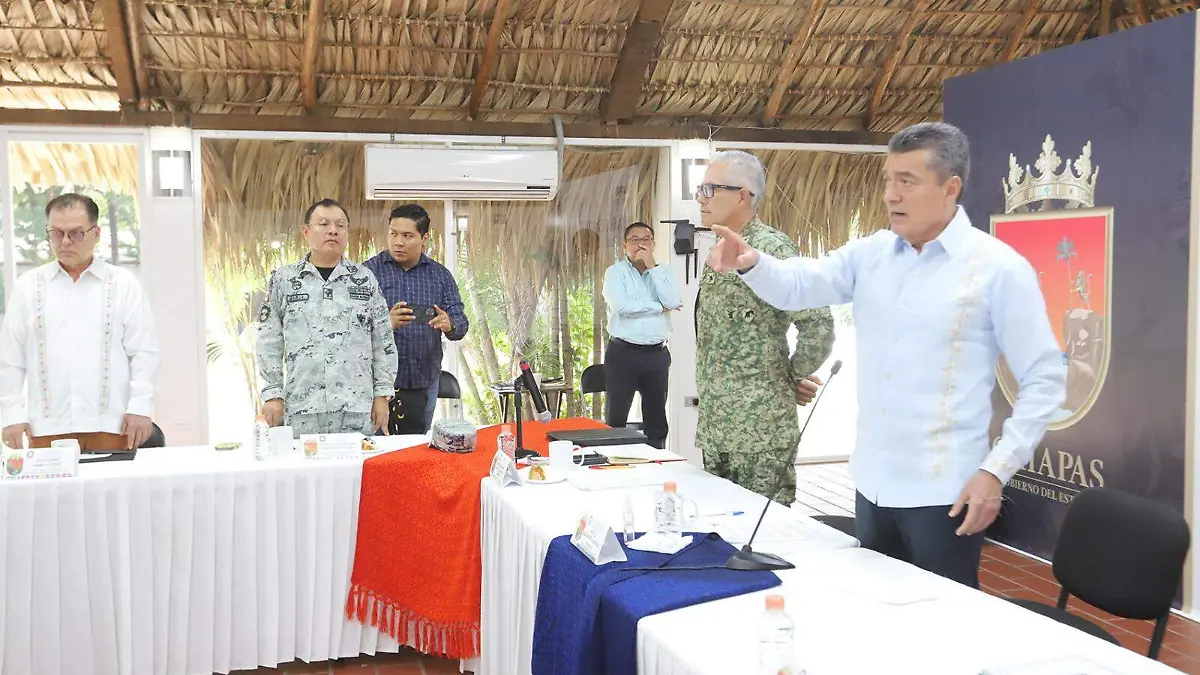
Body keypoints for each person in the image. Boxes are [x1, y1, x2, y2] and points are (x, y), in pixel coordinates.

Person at [707, 122, 1067, 588]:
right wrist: (752, 263)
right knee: (875, 609)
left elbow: (1044, 377)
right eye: (888, 180)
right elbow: (800, 283)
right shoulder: (871, 254)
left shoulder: (998, 269)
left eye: (907, 181)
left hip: (945, 492)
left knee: (941, 622)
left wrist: (996, 471)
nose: (891, 195)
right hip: (872, 484)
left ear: (950, 188)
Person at [694, 150, 836, 506]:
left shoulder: (772, 249)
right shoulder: (720, 250)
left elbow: (818, 324)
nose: (700, 198)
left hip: (761, 432)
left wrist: (787, 377)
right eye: (700, 189)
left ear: (742, 195)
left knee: (766, 530)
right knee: (718, 528)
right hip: (718, 428)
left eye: (709, 189)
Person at [0, 193, 159, 451]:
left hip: (113, 425)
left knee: (114, 480)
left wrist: (141, 407)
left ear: (96, 234)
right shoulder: (27, 287)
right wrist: (11, 414)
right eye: (56, 233)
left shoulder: (123, 284)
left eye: (75, 233)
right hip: (46, 429)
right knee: (47, 482)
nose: (65, 242)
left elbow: (144, 352)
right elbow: (10, 358)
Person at [256, 198, 397, 436]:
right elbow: (268, 340)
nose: (333, 230)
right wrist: (273, 393)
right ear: (306, 231)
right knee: (303, 462)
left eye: (340, 225)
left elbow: (382, 340)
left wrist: (382, 394)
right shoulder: (285, 280)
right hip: (303, 407)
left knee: (359, 461)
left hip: (356, 408)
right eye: (323, 224)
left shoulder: (364, 279)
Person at [363, 204, 468, 434]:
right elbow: (348, 329)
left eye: (407, 235)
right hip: (377, 386)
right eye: (393, 234)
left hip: (424, 380)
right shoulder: (367, 273)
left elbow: (461, 323)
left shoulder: (440, 276)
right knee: (377, 448)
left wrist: (449, 324)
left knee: (416, 446)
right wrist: (385, 324)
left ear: (424, 238)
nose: (398, 242)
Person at [601, 222, 681, 448]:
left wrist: (652, 267)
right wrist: (659, 308)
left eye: (646, 239)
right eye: (634, 240)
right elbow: (622, 307)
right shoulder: (615, 272)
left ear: (653, 244)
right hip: (623, 353)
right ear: (625, 245)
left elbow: (673, 301)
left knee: (656, 420)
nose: (640, 245)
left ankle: (657, 460)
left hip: (657, 354)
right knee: (616, 417)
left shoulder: (664, 271)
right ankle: (614, 462)